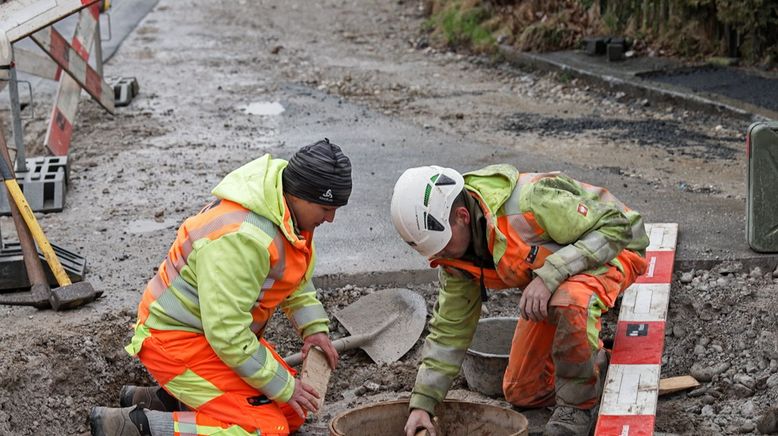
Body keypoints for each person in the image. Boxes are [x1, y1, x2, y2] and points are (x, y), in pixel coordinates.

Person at [89, 139, 352, 436]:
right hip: (175, 341)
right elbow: (228, 334)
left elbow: (293, 277)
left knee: (293, 412)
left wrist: (313, 329)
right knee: (268, 428)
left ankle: (167, 400)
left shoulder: (287, 213)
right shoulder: (244, 238)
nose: (330, 218)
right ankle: (137, 427)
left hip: (210, 338)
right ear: (300, 194)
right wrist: (286, 385)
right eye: (326, 207)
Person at [391, 165, 649, 436]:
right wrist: (423, 403)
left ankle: (576, 409)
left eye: (443, 244)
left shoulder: (531, 201)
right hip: (559, 278)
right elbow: (449, 332)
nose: (442, 254)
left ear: (462, 216)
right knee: (522, 390)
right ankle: (593, 366)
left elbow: (616, 227)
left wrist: (551, 275)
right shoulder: (457, 257)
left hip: (615, 250)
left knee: (569, 299)